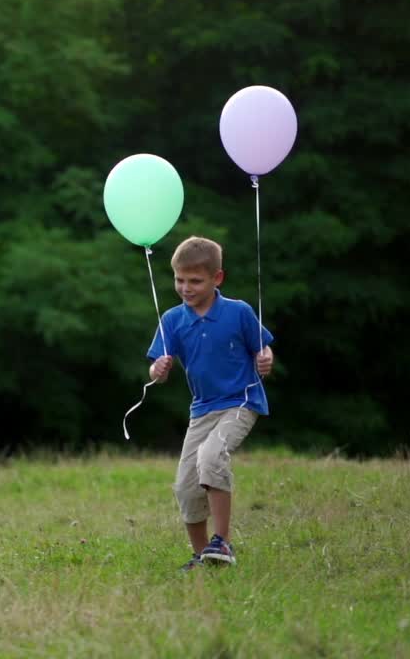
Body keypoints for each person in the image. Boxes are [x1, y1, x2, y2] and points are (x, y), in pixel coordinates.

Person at [147, 237, 274, 571]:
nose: (185, 288)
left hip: (240, 402)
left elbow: (263, 347)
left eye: (195, 281)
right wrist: (157, 369)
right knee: (185, 485)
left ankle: (223, 542)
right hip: (202, 409)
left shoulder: (239, 312)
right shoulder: (173, 320)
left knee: (212, 456)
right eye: (179, 280)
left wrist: (265, 358)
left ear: (217, 278)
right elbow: (157, 368)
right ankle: (204, 556)